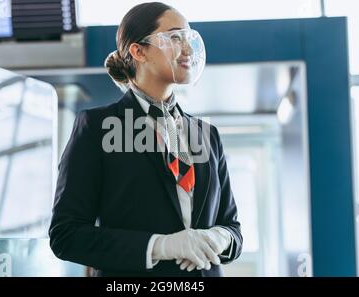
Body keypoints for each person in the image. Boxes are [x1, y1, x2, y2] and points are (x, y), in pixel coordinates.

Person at [49, 2, 242, 277]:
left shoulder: (207, 135)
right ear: (138, 51)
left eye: (188, 38)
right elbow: (65, 235)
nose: (187, 49)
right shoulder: (97, 128)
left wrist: (221, 238)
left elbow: (233, 228)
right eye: (175, 37)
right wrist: (161, 246)